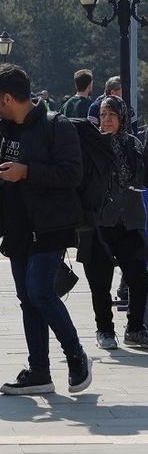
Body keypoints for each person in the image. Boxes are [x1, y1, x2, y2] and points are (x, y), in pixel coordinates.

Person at [0, 63, 92, 396]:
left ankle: (76, 354)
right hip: (17, 228)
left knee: (40, 292)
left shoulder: (57, 126)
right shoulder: (8, 128)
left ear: (8, 97)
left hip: (51, 226)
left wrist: (27, 173)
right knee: (27, 299)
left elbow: (71, 175)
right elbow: (13, 173)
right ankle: (39, 372)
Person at [79, 95, 148, 350]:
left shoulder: (133, 144)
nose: (107, 120)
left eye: (112, 115)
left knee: (138, 277)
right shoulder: (90, 145)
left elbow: (138, 177)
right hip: (98, 222)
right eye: (103, 115)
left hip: (129, 220)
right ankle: (105, 330)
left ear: (122, 118)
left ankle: (136, 328)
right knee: (100, 280)